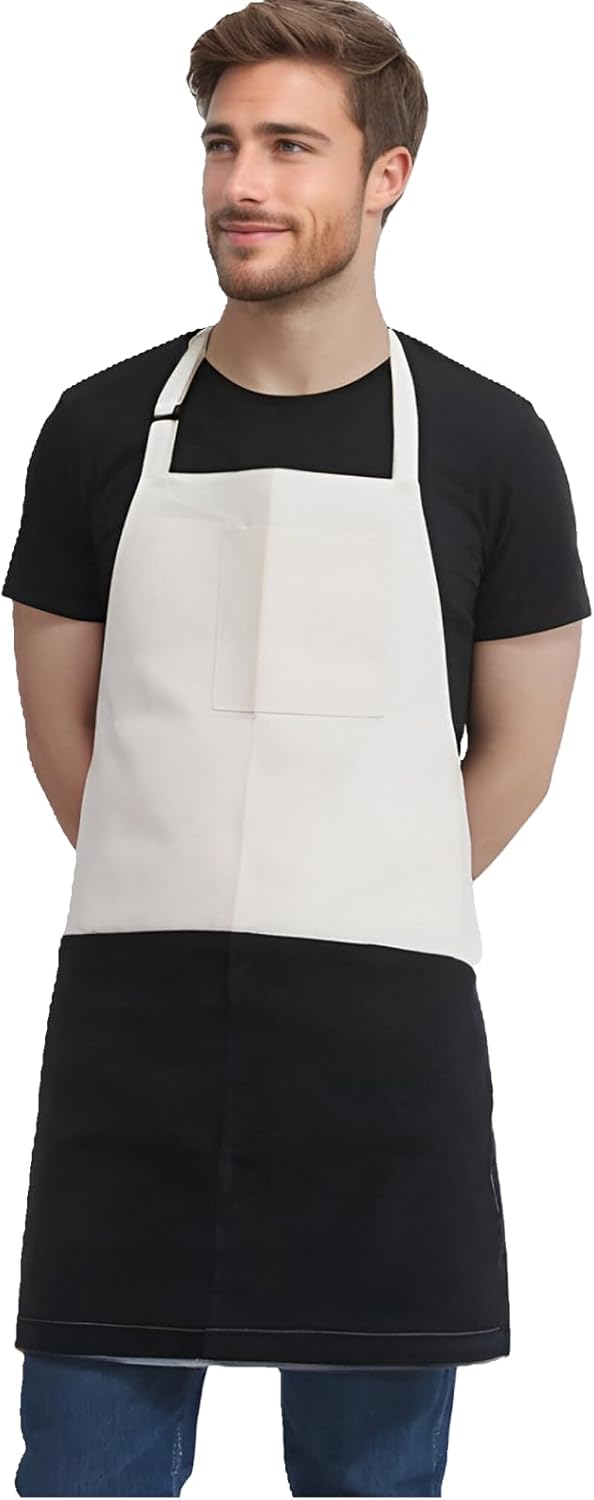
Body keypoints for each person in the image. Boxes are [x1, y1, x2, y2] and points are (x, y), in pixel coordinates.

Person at [4, 2, 590, 1496]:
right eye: (220, 145)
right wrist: (181, 868)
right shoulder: (93, 430)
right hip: (135, 1032)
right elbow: (62, 732)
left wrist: (362, 888)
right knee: (84, 1470)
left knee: (371, 1482)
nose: (240, 184)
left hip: (383, 1048)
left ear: (388, 176)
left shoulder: (491, 445)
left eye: (287, 146)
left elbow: (520, 757)